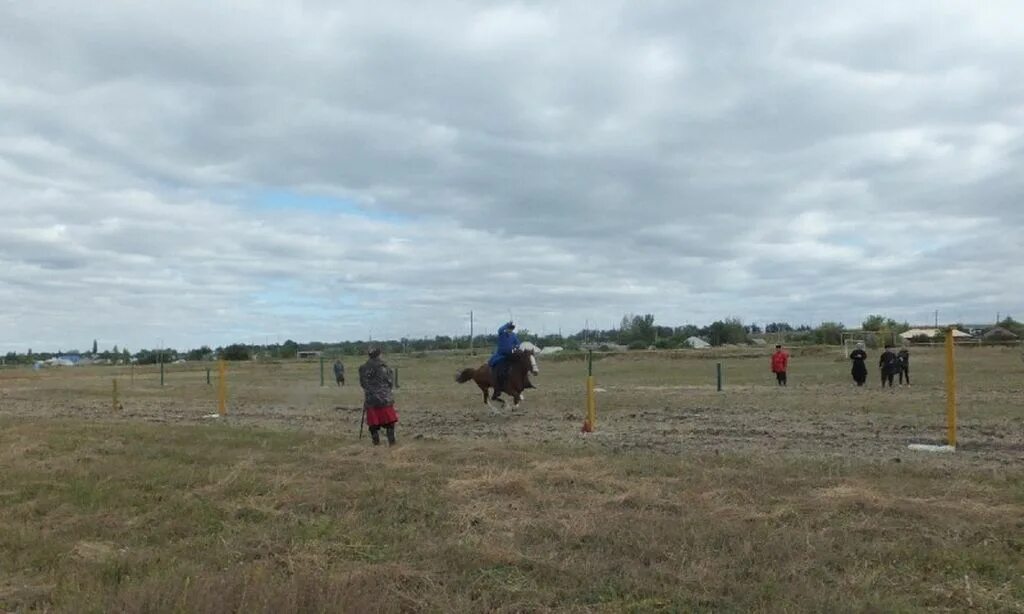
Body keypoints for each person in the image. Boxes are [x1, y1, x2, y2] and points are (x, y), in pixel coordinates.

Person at [358, 348, 398, 446]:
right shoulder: (384, 367)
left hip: (371, 399)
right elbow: (390, 382)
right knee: (389, 422)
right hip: (384, 399)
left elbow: (363, 384)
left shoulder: (363, 368)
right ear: (379, 355)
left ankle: (376, 443)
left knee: (373, 423)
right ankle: (392, 443)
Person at [488, 321, 520, 402]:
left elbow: (518, 343)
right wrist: (507, 324)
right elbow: (500, 329)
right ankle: (499, 386)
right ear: (507, 328)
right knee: (501, 370)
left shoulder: (513, 335)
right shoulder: (502, 334)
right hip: (501, 356)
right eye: (509, 328)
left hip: (510, 355)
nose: (510, 330)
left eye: (511, 329)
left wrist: (516, 346)